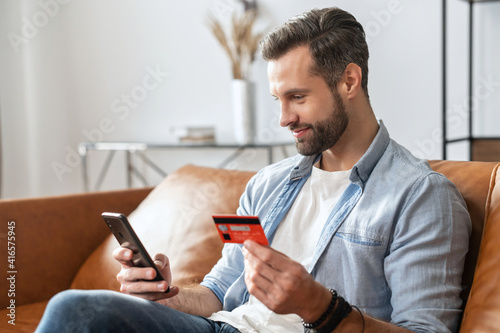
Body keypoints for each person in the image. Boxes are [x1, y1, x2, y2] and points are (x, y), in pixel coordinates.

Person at [36, 7, 471, 333]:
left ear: (350, 82)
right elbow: (217, 292)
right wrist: (168, 294)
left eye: (297, 97)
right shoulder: (268, 184)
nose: (283, 118)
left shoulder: (421, 196)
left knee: (72, 312)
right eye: (277, 100)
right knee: (79, 310)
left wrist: (320, 306)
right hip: (221, 327)